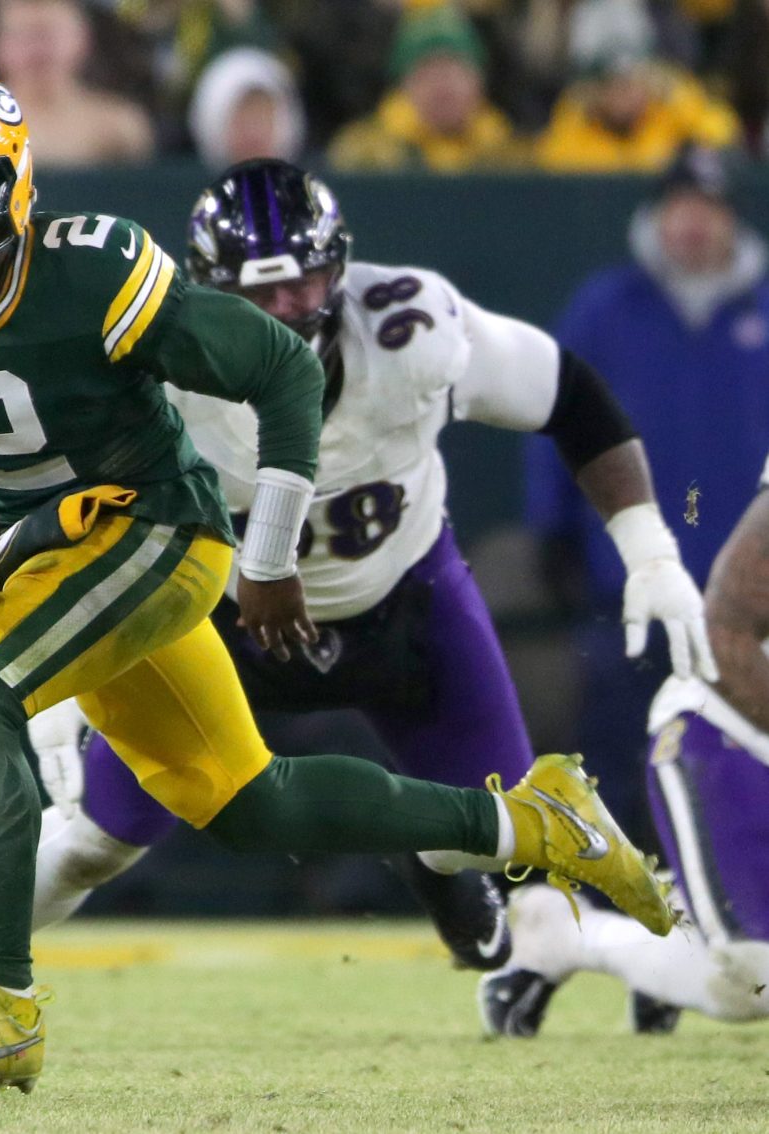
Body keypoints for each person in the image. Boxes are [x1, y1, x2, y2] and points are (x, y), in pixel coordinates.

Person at [0, 110, 699, 1089]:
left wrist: (648, 546)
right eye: (257, 290)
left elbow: (564, 392)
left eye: (305, 284)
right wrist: (60, 697)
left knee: (477, 875)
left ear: (343, 269)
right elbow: (65, 518)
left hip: (399, 602)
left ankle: (484, 859)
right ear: (209, 286)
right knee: (110, 831)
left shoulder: (411, 327)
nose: (284, 309)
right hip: (217, 613)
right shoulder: (154, 357)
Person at [523, 143, 769, 843]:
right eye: (679, 207)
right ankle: (594, 910)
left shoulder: (764, 308)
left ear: (732, 220)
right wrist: (553, 529)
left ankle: (733, 911)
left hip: (750, 602)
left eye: (708, 209)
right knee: (611, 753)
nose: (692, 225)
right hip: (625, 585)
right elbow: (553, 410)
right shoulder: (607, 308)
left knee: (738, 759)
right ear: (657, 217)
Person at [480, 449, 769, 1038]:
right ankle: (565, 937)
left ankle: (681, 933)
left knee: (740, 975)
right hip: (732, 730)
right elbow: (725, 632)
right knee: (754, 975)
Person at [532, 0, 739, 172]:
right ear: (591, 90)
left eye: (633, 81)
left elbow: (724, 136)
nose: (626, 94)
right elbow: (551, 165)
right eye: (612, 85)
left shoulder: (669, 113)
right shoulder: (573, 130)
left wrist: (680, 99)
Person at [326, 5, 522, 173]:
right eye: (428, 73)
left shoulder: (508, 156)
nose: (443, 86)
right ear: (403, 85)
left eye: (454, 72)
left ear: (479, 82)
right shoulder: (366, 155)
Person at [0, 0, 154, 167]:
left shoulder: (119, 126)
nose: (38, 49)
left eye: (49, 34)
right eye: (22, 35)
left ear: (82, 38)